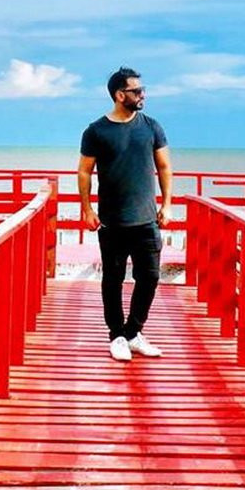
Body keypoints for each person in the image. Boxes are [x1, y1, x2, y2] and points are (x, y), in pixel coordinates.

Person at [78, 66, 173, 361]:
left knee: (151, 277)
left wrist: (167, 204)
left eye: (143, 90)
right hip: (113, 220)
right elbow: (84, 171)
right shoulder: (96, 131)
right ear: (120, 95)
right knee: (113, 279)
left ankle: (133, 331)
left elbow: (164, 167)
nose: (143, 95)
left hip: (146, 220)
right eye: (137, 91)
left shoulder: (152, 126)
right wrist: (86, 208)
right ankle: (116, 335)